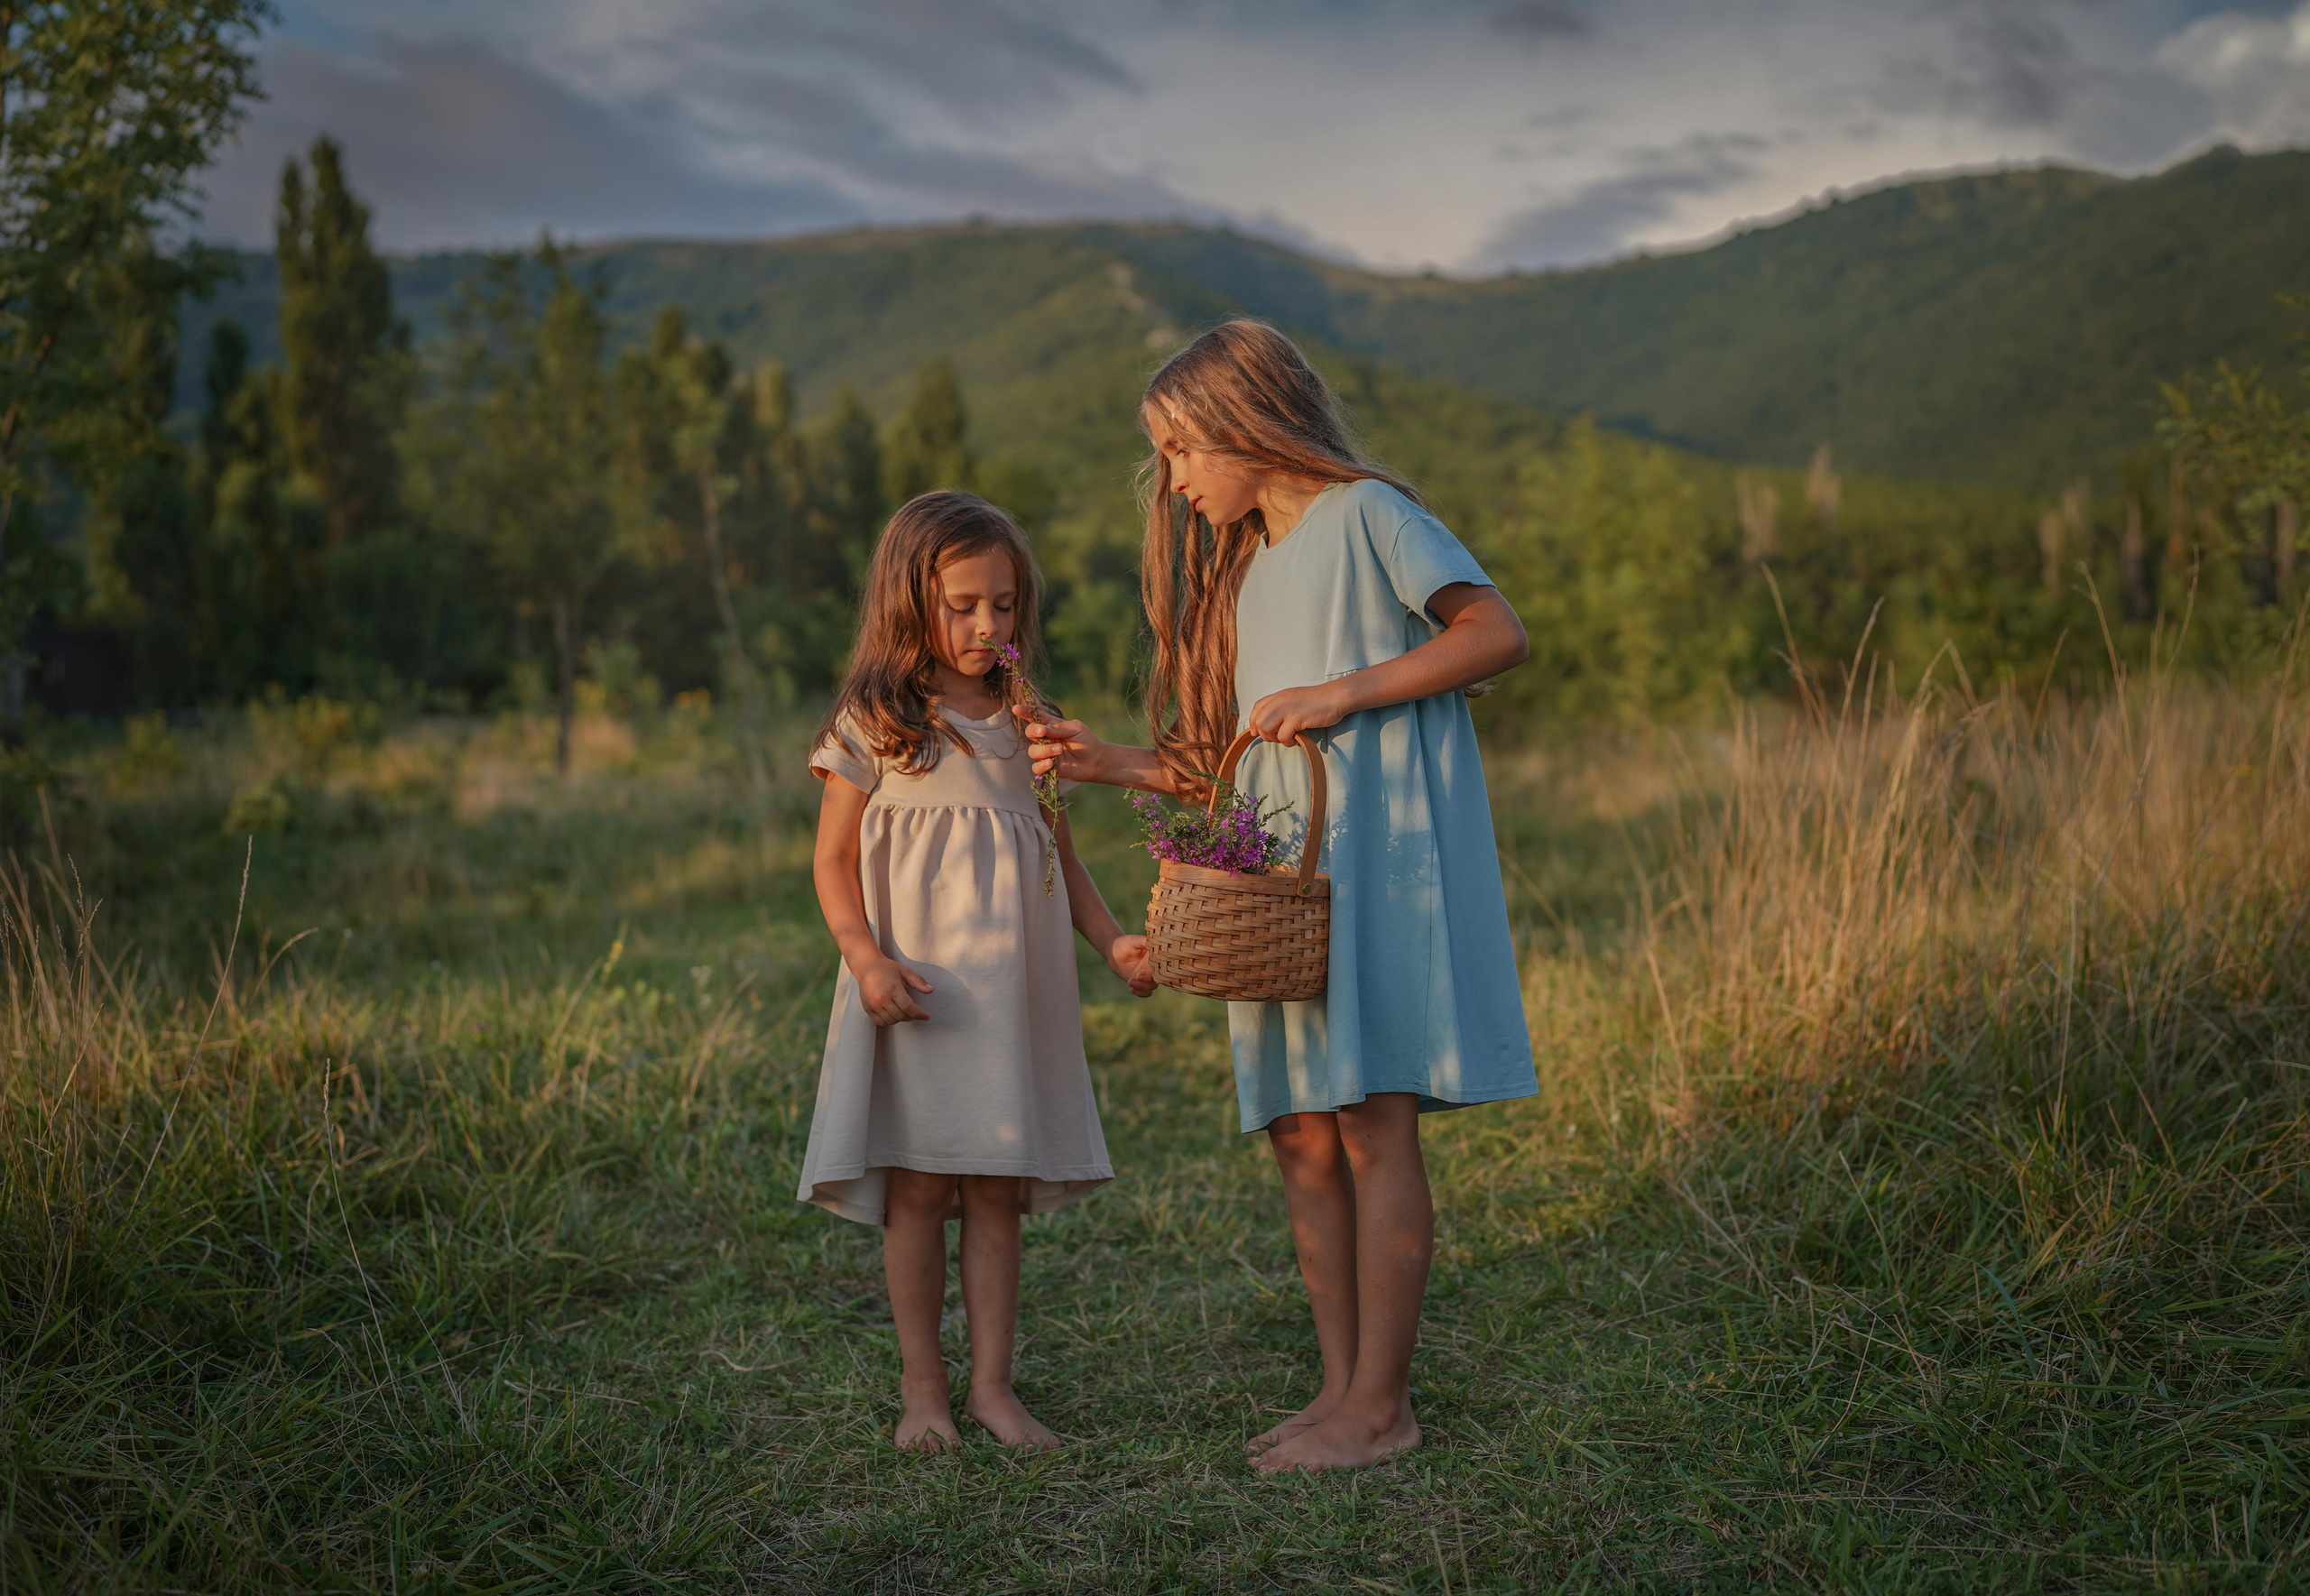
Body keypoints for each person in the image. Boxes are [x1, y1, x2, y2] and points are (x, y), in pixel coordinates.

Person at [1023, 322, 1537, 1472]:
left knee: (1369, 1118)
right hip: (1281, 887)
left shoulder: (1369, 517)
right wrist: (1106, 761)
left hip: (1372, 872)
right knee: (1301, 1132)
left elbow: (1495, 631)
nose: (1171, 479)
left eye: (1179, 449)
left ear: (1245, 424)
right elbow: (1230, 761)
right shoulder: (1246, 569)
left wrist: (1346, 690)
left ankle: (1382, 1409)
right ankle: (1341, 1387)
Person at [799, 489, 1154, 1453]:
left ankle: (994, 1389)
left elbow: (1061, 857)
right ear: (908, 603)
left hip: (1003, 1003)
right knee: (919, 1188)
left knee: (996, 1189)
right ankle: (924, 1390)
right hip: (917, 994)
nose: (986, 625)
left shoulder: (1030, 725)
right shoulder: (877, 722)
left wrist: (1113, 942)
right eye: (961, 605)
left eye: (1002, 603)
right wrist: (864, 956)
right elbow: (831, 861)